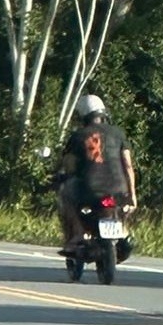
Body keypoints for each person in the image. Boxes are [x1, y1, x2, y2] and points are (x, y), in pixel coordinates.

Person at [56, 94, 137, 255]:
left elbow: (69, 166)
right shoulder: (118, 134)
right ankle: (124, 232)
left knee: (66, 195)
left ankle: (78, 234)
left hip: (90, 189)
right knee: (122, 208)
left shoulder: (78, 136)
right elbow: (128, 165)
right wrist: (132, 194)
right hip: (118, 188)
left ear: (82, 116)